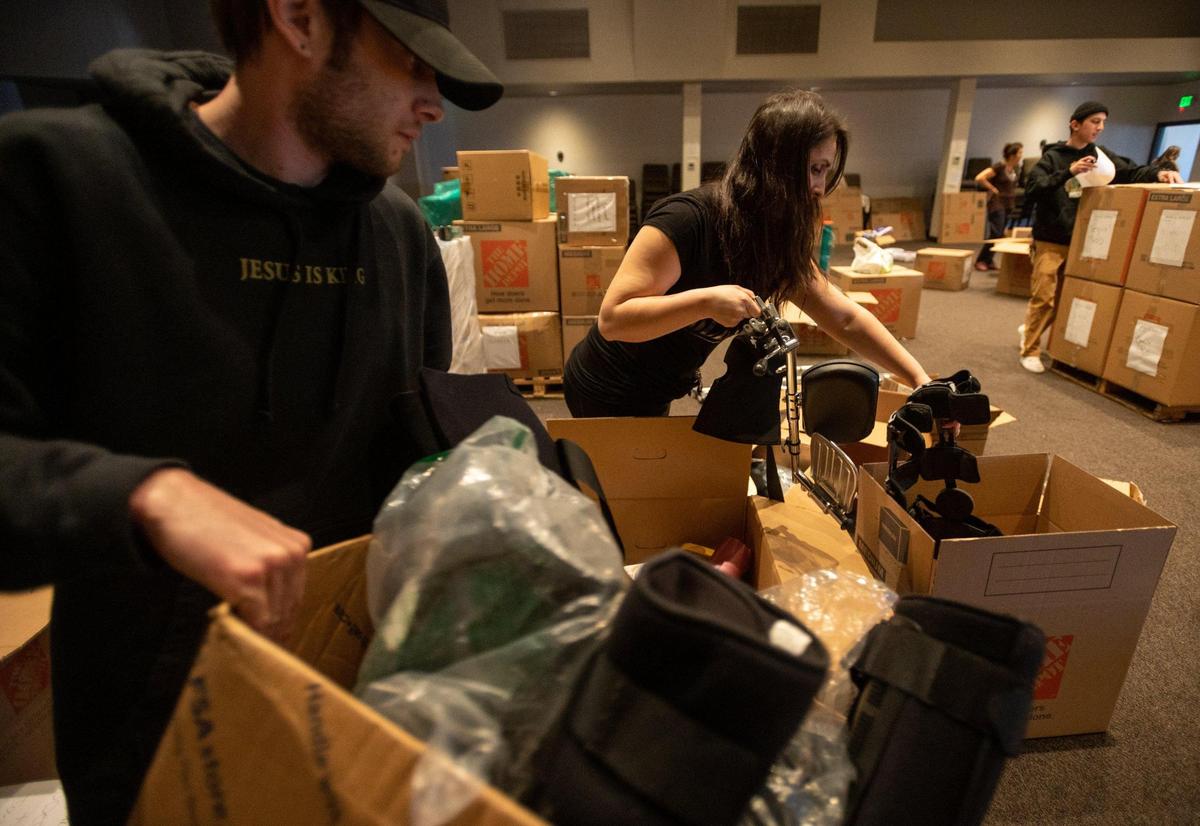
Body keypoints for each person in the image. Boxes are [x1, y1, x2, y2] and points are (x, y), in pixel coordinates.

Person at [0, 1, 501, 822]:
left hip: (346, 707)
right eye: (410, 63)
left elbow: (413, 458)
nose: (433, 103)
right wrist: (145, 496)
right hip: (151, 737)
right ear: (301, 18)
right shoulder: (55, 178)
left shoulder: (400, 236)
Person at [563, 90, 934, 419]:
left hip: (659, 388)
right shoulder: (687, 219)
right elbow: (614, 319)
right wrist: (707, 301)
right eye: (814, 170)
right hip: (604, 385)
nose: (821, 187)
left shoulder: (774, 237)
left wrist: (918, 379)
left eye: (827, 171)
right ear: (777, 165)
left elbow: (844, 319)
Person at [1018, 101, 1181, 373]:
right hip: (1050, 239)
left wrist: (1158, 172)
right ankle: (1030, 349)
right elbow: (1034, 188)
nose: (1100, 127)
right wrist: (1068, 172)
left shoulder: (1100, 155)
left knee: (1067, 298)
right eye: (1094, 121)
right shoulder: (1053, 157)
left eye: (1103, 122)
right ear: (1075, 124)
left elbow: (1129, 172)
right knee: (1044, 297)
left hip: (1083, 240)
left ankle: (1034, 327)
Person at [974, 142, 1023, 271]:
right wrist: (993, 188)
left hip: (1008, 204)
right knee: (996, 233)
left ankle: (988, 260)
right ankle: (981, 260)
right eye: (1019, 153)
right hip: (997, 204)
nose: (1021, 156)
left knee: (1000, 234)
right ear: (1012, 155)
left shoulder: (1013, 169)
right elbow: (980, 177)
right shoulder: (999, 167)